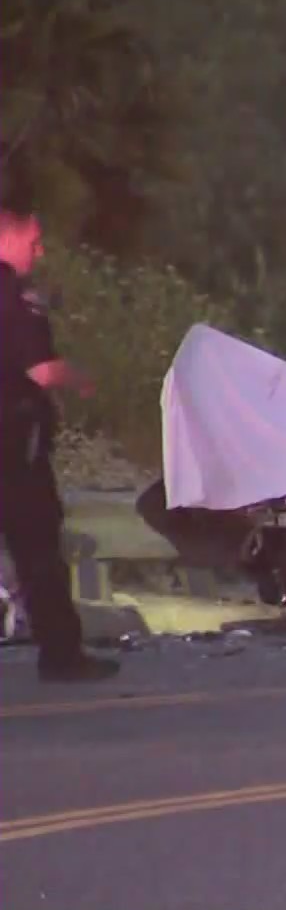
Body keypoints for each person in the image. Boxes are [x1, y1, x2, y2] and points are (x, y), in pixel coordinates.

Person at [0, 204, 119, 682]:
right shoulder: (12, 294)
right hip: (12, 444)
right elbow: (40, 369)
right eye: (34, 241)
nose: (40, 250)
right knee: (38, 550)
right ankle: (62, 654)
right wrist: (81, 379)